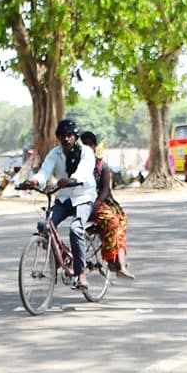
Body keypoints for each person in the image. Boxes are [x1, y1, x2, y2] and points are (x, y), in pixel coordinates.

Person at [27, 118, 97, 288]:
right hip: (64, 198)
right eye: (62, 136)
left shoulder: (86, 152)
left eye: (70, 135)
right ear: (58, 138)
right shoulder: (54, 153)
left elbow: (85, 171)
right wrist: (35, 181)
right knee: (44, 225)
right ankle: (61, 256)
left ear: (75, 137)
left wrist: (73, 179)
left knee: (75, 229)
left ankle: (81, 274)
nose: (66, 139)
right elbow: (45, 171)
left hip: (83, 197)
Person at [78, 130, 133, 280]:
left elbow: (105, 190)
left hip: (102, 201)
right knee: (112, 223)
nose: (88, 148)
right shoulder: (77, 163)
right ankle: (115, 262)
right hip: (84, 201)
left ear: (95, 147)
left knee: (121, 220)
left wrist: (97, 204)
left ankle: (119, 263)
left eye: (91, 145)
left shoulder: (102, 165)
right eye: (85, 145)